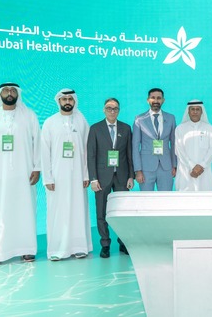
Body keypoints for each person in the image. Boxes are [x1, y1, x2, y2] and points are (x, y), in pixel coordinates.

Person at [0, 83, 41, 265]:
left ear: (18, 94)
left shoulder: (29, 116)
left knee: (25, 211)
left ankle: (27, 250)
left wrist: (37, 168)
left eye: (13, 91)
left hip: (24, 173)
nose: (10, 93)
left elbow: (38, 142)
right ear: (0, 94)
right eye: (6, 91)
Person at [41, 89, 93, 261]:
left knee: (78, 209)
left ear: (74, 101)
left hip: (78, 175)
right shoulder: (50, 122)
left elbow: (87, 150)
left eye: (70, 98)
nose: (67, 101)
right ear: (59, 101)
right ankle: (57, 249)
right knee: (58, 211)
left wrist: (86, 175)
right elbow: (44, 152)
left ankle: (79, 247)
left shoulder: (81, 121)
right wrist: (47, 177)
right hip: (57, 176)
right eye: (64, 99)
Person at [87, 97, 134, 258]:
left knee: (123, 212)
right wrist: (93, 178)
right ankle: (105, 244)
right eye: (109, 108)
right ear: (104, 110)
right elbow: (91, 155)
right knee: (101, 212)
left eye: (115, 108)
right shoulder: (95, 129)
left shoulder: (126, 128)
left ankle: (123, 242)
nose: (112, 111)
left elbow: (129, 154)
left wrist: (131, 176)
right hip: (101, 177)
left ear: (119, 111)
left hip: (122, 176)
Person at [132, 88, 177, 191]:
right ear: (148, 100)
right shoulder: (139, 119)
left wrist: (174, 165)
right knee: (146, 199)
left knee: (165, 198)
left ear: (163, 100)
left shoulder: (171, 118)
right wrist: (138, 170)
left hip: (166, 167)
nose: (156, 101)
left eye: (159, 98)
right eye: (153, 98)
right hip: (146, 168)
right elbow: (135, 146)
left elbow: (174, 143)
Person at [174, 100, 212, 191]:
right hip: (186, 171)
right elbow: (179, 150)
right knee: (185, 197)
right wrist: (192, 165)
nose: (195, 112)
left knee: (205, 197)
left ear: (202, 112)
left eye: (198, 109)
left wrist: (202, 165)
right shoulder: (180, 129)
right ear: (188, 112)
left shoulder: (209, 128)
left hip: (204, 171)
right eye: (192, 109)